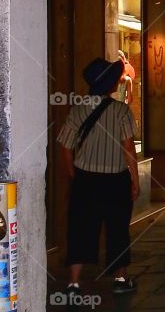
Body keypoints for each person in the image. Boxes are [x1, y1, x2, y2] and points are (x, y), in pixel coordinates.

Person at [57, 57, 139, 297]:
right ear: (109, 83)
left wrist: (74, 175)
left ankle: (74, 283)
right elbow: (128, 148)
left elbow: (65, 147)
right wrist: (135, 180)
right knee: (118, 229)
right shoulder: (121, 110)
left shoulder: (78, 109)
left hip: (86, 179)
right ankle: (120, 278)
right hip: (116, 180)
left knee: (80, 228)